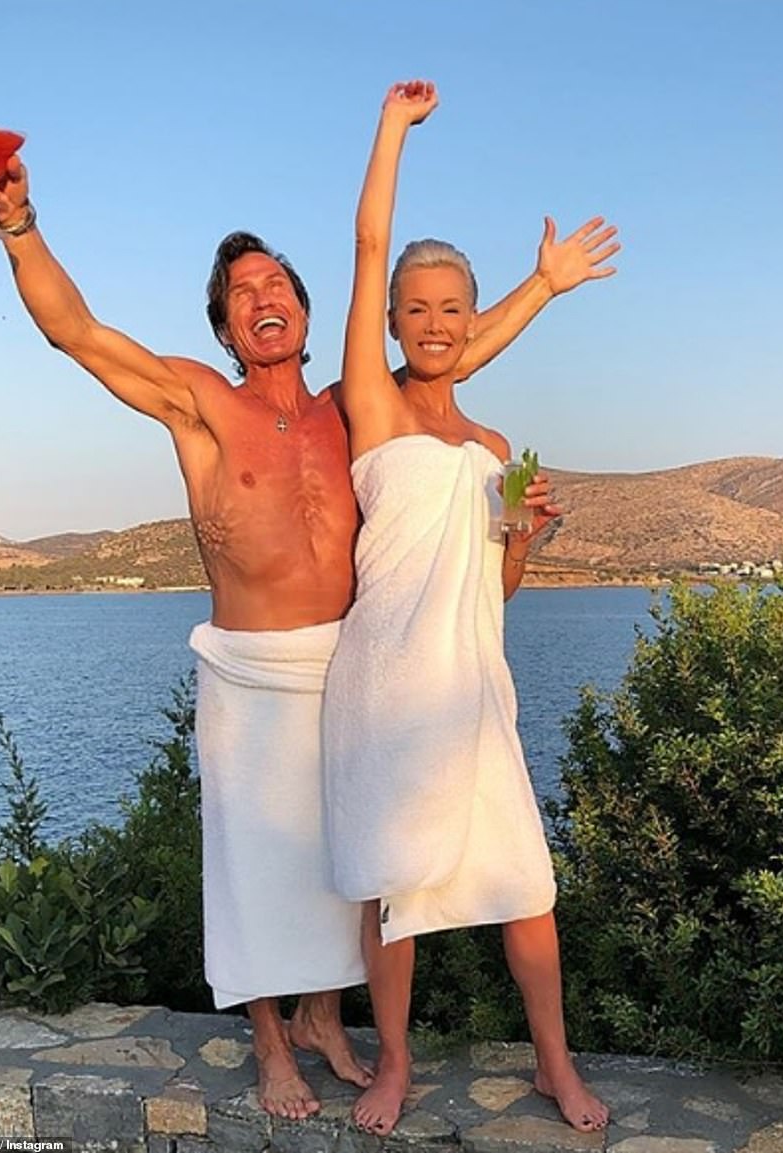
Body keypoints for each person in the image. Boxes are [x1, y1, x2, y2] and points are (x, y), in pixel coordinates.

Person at [0, 133, 615, 1123]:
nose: (262, 295)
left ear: (305, 314)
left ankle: (323, 1018)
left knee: (344, 869)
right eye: (241, 290)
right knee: (254, 868)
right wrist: (18, 225)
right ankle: (271, 1040)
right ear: (225, 324)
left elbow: (449, 347)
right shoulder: (200, 403)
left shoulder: (352, 408)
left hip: (352, 663)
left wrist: (542, 285)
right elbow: (77, 332)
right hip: (251, 667)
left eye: (278, 284)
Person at [322, 80, 618, 1137]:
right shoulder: (373, 405)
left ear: (468, 317)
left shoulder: (494, 448)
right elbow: (368, 245)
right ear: (392, 321)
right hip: (382, 687)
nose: (435, 324)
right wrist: (391, 128)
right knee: (391, 890)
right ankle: (394, 1064)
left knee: (526, 887)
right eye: (416, 308)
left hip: (472, 689)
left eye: (453, 308)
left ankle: (553, 1064)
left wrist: (523, 535)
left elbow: (495, 591)